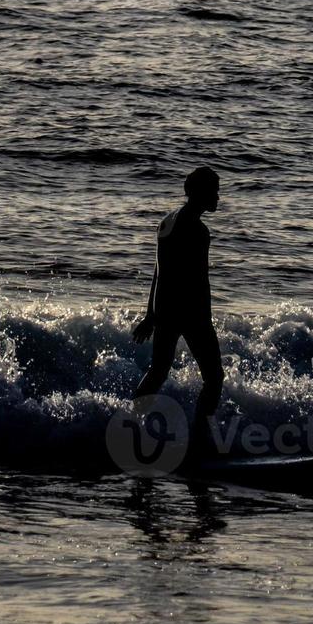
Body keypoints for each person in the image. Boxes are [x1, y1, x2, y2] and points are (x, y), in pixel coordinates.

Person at [132, 166, 223, 457]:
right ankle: (200, 442)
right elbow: (198, 279)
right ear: (199, 192)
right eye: (214, 190)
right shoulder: (198, 230)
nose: (218, 196)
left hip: (165, 308)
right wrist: (204, 321)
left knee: (157, 372)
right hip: (189, 311)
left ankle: (132, 426)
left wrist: (151, 314)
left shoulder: (167, 221)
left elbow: (158, 273)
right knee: (214, 377)